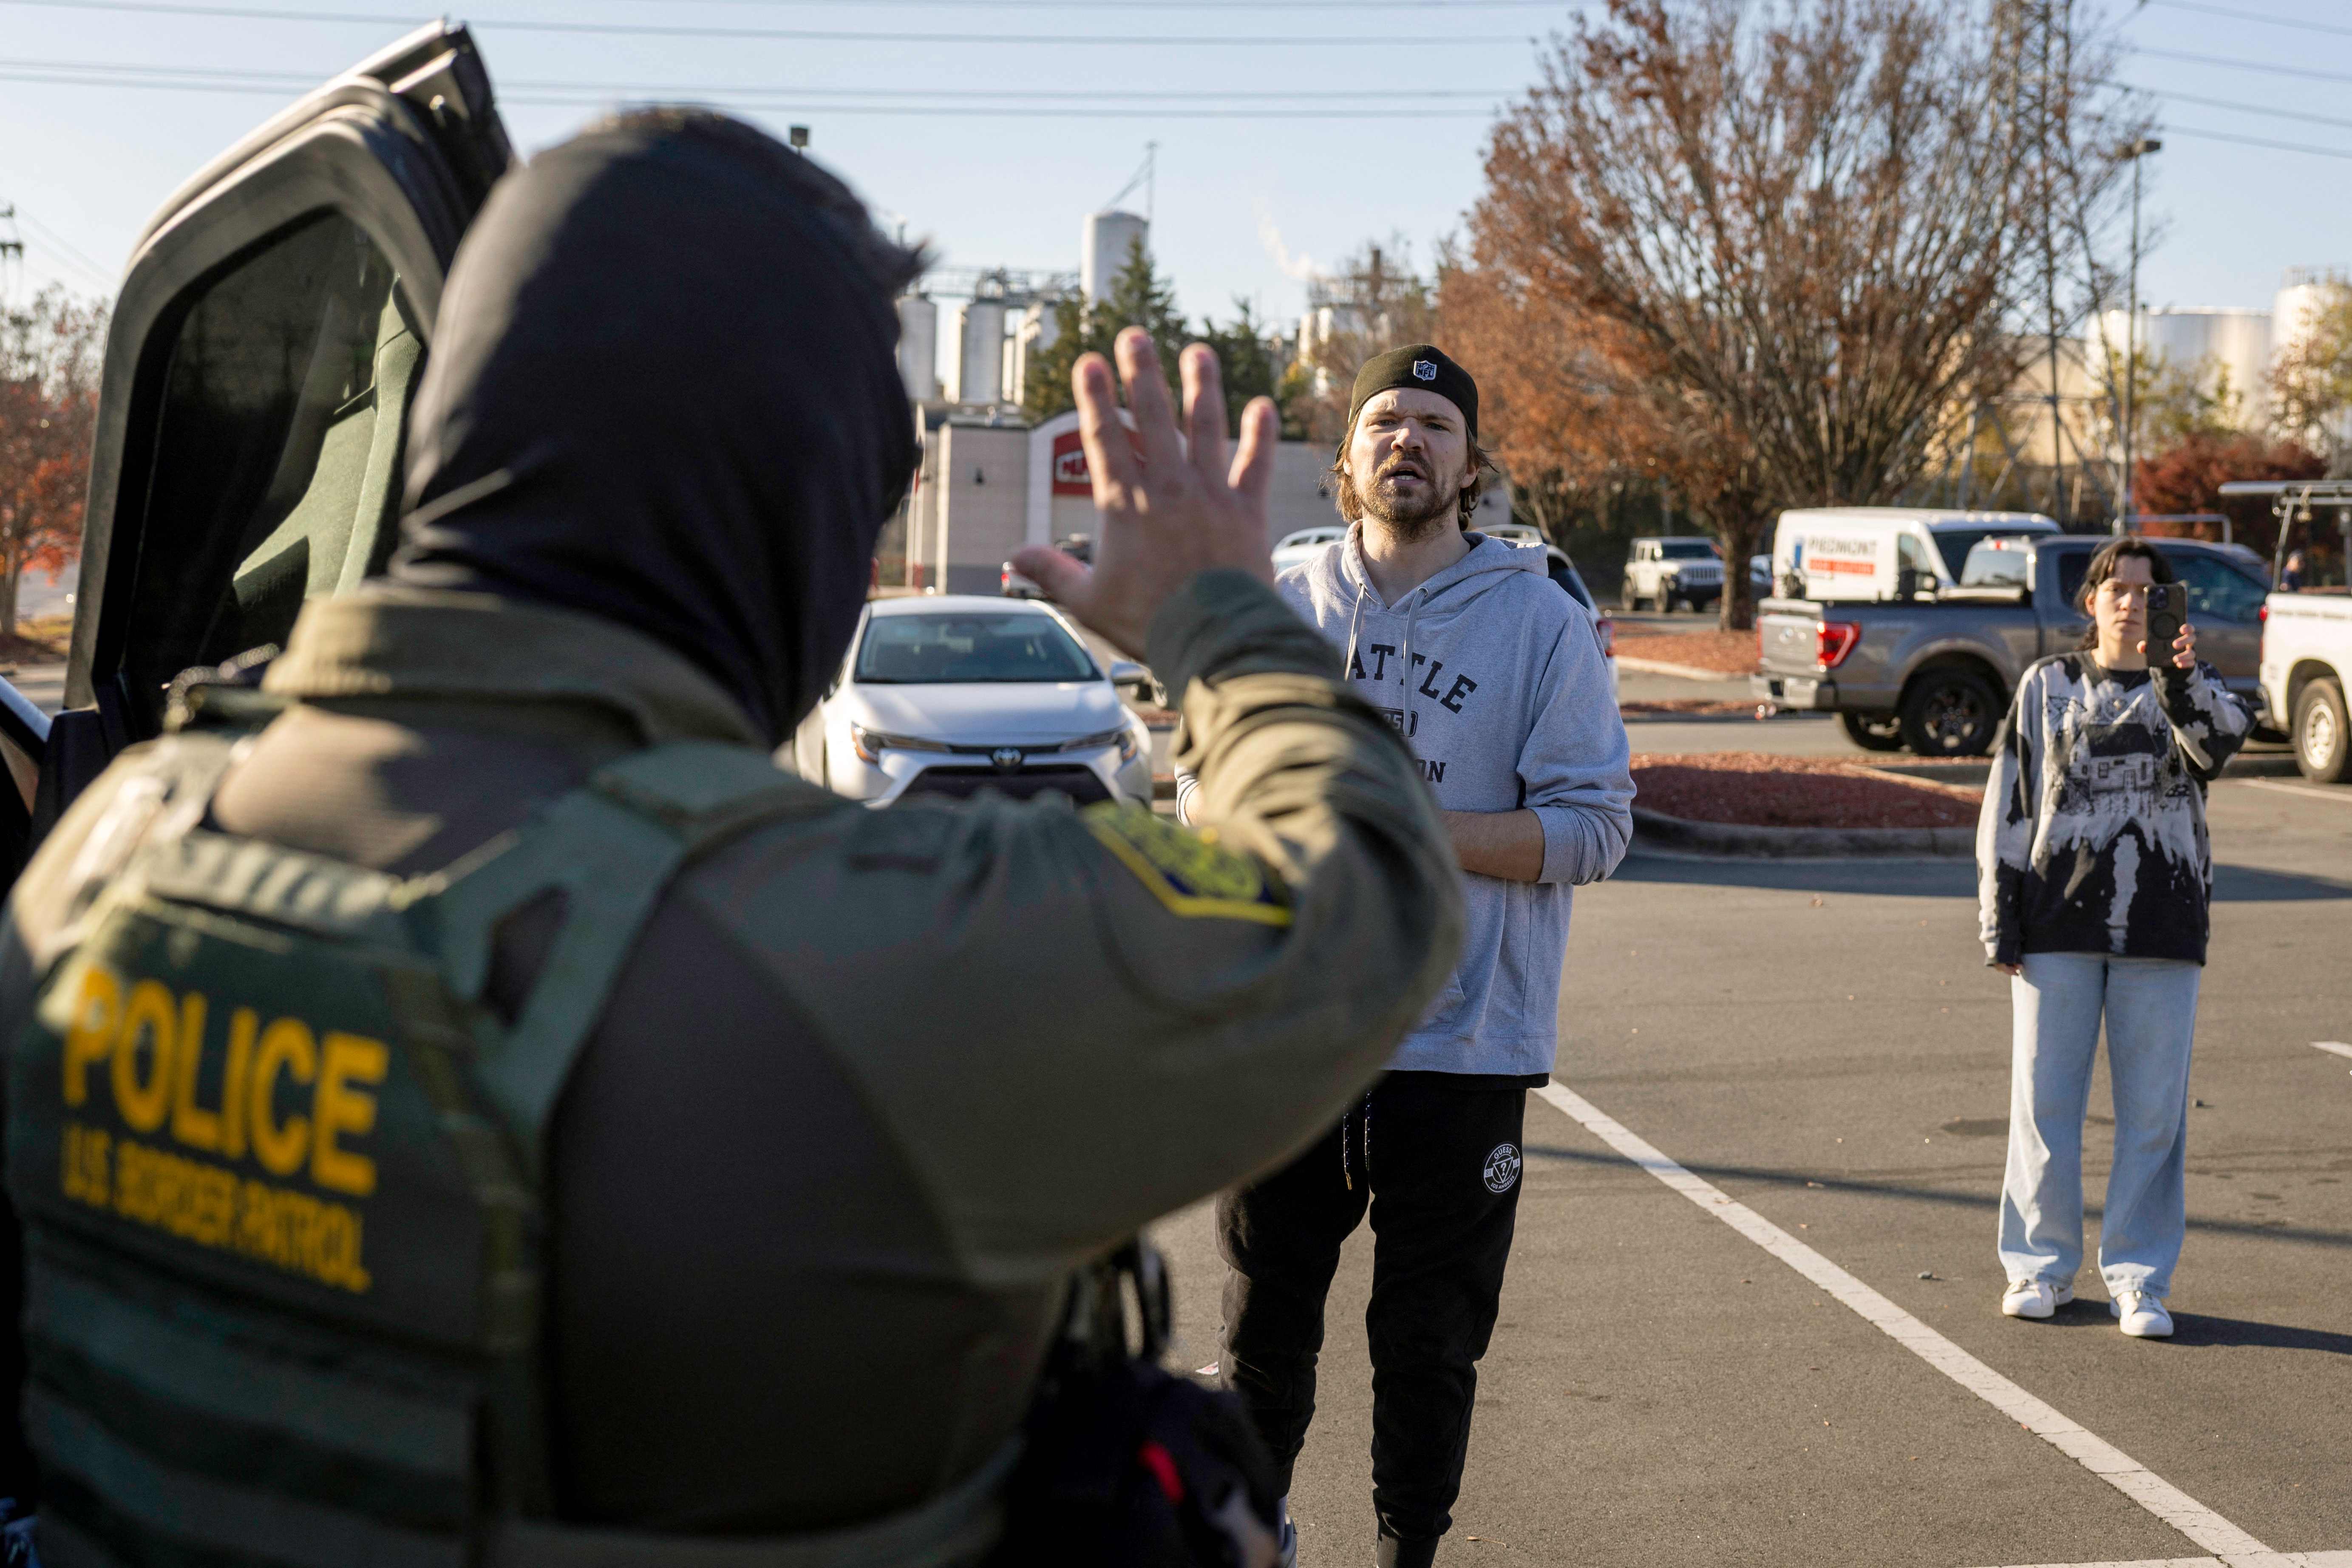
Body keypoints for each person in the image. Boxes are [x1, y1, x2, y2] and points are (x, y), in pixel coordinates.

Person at [0, 111, 1465, 1565]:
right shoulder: (857, 951)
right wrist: (1217, 615)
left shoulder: (103, 859)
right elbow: (1365, 887)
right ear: (794, 500)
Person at [1188, 345, 1633, 1568]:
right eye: (1385, 420)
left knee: (1428, 1347)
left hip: (1463, 1042)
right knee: (1261, 1337)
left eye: (1434, 423)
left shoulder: (1539, 619)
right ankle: (1248, 1538)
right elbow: (1192, 788)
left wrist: (1414, 830)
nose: (1408, 440)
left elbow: (1594, 827)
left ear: (1469, 464)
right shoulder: (1280, 611)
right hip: (1290, 1041)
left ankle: (1406, 1553)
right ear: (1345, 461)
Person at [1978, 535, 2250, 1340]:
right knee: (2044, 1104)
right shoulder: (2046, 685)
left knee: (2153, 1117)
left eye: (2149, 589)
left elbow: (2220, 746)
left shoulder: (2191, 686)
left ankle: (2139, 1279)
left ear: (2169, 605)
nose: (2132, 601)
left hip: (2163, 926)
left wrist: (2178, 676)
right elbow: (2009, 802)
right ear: (2090, 601)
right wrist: (2000, 914)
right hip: (2056, 923)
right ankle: (2039, 1268)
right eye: (2116, 587)